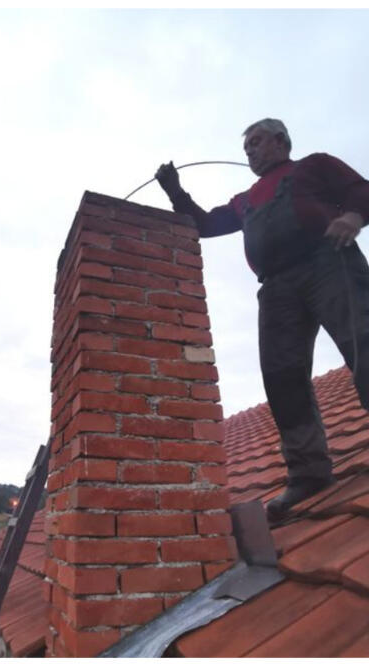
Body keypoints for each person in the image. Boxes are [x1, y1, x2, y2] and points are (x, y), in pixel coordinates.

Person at [155, 118, 369, 521]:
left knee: (364, 339)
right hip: (276, 288)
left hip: (328, 260)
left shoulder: (313, 166)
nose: (250, 151)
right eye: (246, 147)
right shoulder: (246, 200)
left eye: (256, 142)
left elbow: (361, 191)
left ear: (281, 141)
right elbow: (204, 225)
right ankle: (309, 472)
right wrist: (175, 190)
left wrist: (354, 218)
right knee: (282, 373)